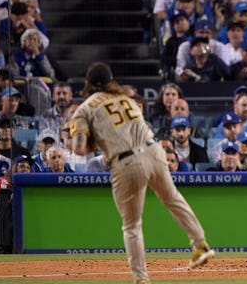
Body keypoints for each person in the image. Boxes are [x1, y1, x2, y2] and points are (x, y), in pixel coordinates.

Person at [69, 62, 214, 283]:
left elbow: (78, 148)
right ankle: (200, 244)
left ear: (88, 83)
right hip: (155, 151)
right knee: (172, 198)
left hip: (127, 162)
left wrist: (96, 141)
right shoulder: (126, 99)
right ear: (110, 81)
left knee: (132, 225)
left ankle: (141, 279)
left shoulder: (84, 109)